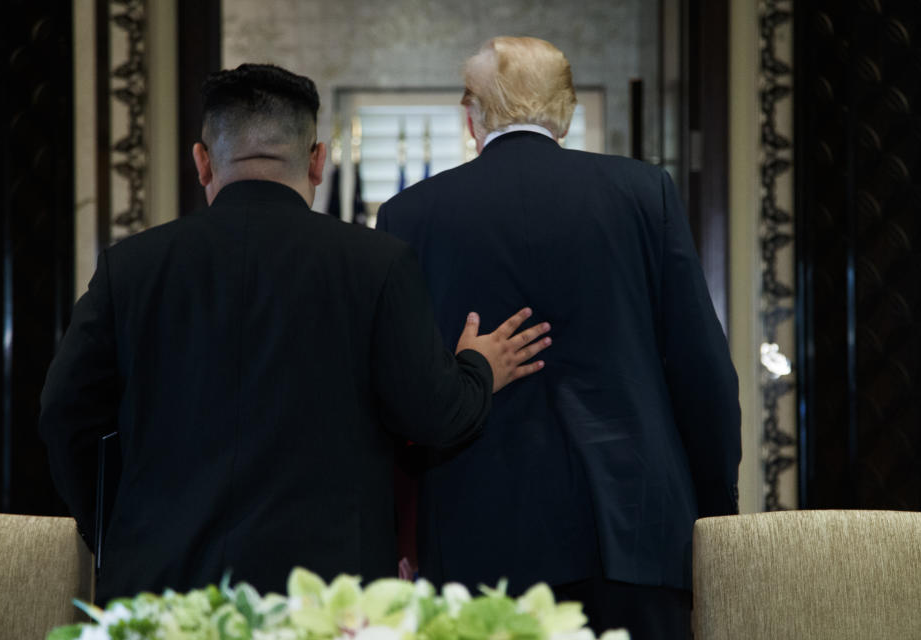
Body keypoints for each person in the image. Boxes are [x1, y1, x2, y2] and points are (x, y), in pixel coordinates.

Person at [39, 63, 552, 605]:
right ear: (317, 162)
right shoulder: (375, 262)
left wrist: (117, 531)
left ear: (202, 161)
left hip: (162, 582)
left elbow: (63, 412)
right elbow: (431, 414)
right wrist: (479, 368)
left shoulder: (131, 267)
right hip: (327, 597)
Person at [376, 36, 741, 638]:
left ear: (472, 116)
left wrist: (400, 531)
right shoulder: (645, 194)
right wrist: (714, 513)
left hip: (477, 539)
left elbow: (403, 393)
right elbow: (703, 372)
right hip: (633, 533)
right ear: (565, 112)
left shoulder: (410, 214)